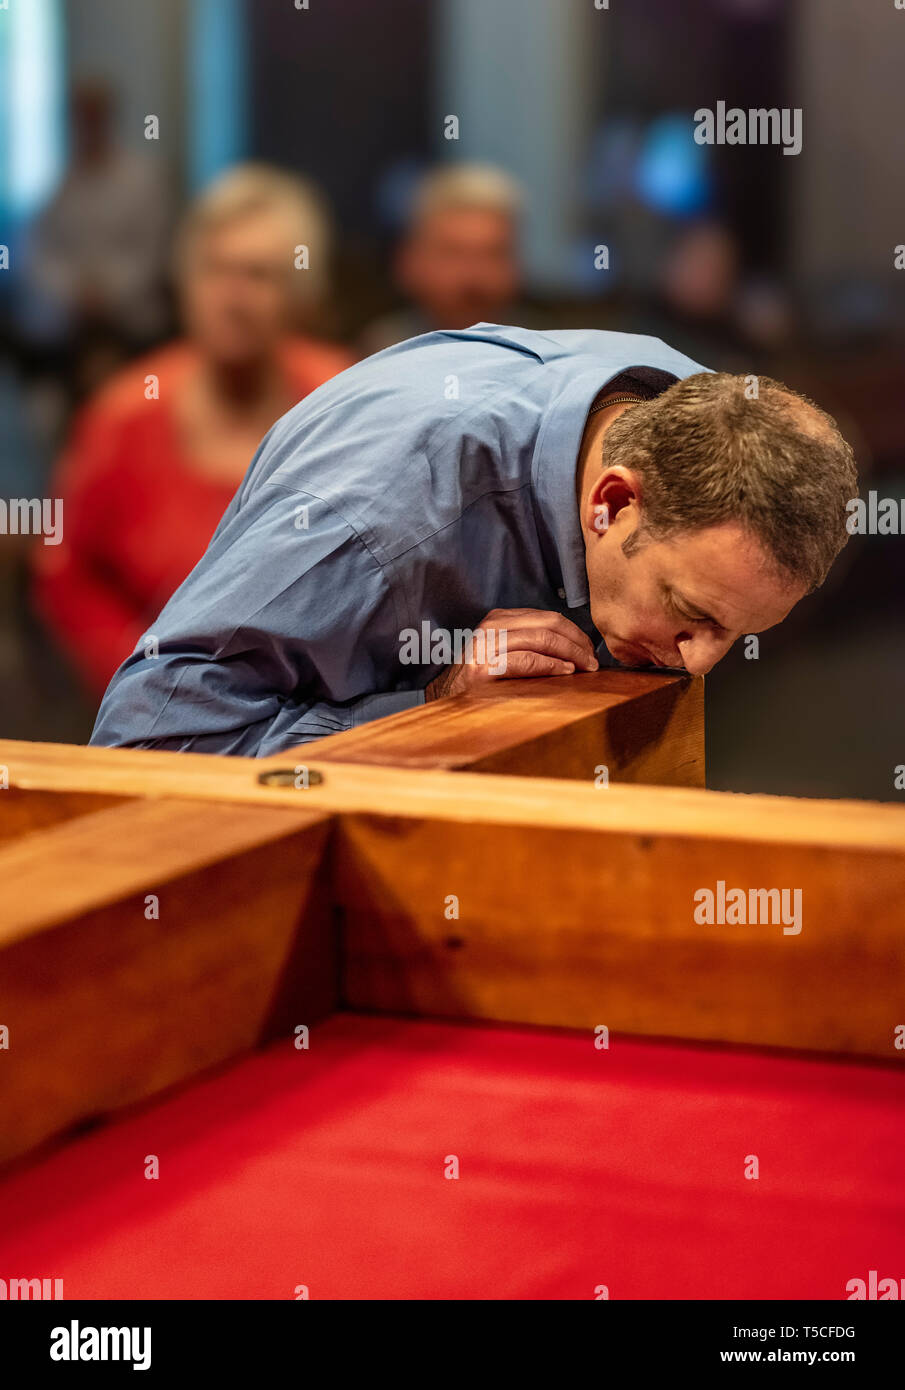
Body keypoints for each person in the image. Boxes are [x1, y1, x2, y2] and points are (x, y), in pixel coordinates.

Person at [89, 323, 857, 757]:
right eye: (691, 613)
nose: (700, 662)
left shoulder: (676, 406)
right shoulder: (371, 520)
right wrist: (427, 707)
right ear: (611, 502)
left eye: (739, 631)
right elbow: (142, 746)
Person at [32, 164, 352, 697]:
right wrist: (143, 675)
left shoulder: (344, 401)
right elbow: (67, 571)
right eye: (215, 271)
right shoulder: (124, 414)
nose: (233, 297)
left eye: (258, 275)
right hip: (159, 716)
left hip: (322, 714)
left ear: (302, 293)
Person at [358, 164, 524, 355]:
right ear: (409, 261)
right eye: (453, 254)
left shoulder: (549, 356)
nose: (474, 277)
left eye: (494, 254)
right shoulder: (379, 352)